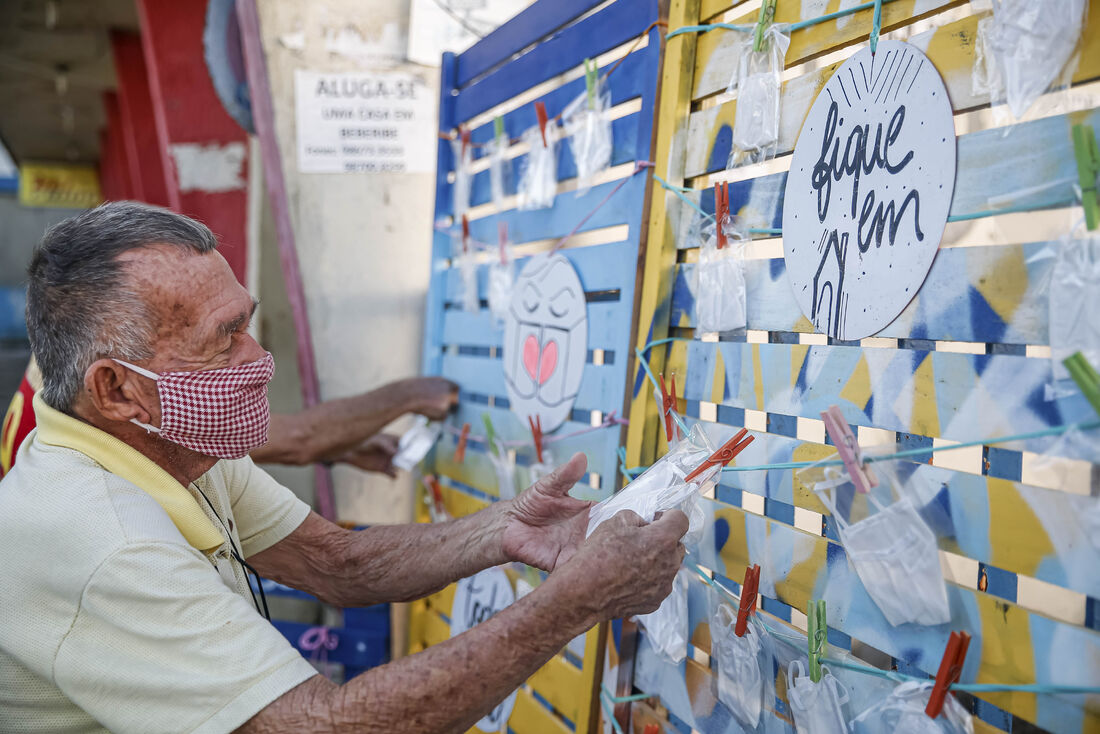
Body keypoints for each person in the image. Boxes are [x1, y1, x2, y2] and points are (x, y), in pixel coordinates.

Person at [0, 202, 687, 733]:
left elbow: (339, 564)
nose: (258, 358)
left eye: (247, 320)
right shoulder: (105, 542)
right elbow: (330, 725)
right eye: (224, 338)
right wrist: (576, 601)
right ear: (117, 390)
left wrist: (508, 530)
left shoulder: (169, 447)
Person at [0, 357, 459, 479]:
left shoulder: (62, 363)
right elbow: (299, 439)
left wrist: (341, 449)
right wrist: (410, 395)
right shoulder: (103, 388)